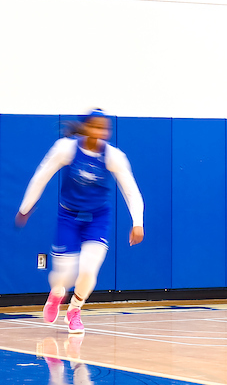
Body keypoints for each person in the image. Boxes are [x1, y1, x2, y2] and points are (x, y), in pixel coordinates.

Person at [14, 110, 144, 335]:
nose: (100, 132)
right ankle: (57, 293)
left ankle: (74, 310)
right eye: (95, 126)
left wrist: (138, 222)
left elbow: (130, 189)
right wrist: (26, 207)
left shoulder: (113, 156)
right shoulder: (66, 149)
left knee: (88, 270)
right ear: (85, 128)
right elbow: (42, 175)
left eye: (103, 128)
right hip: (69, 217)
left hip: (97, 219)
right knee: (64, 273)